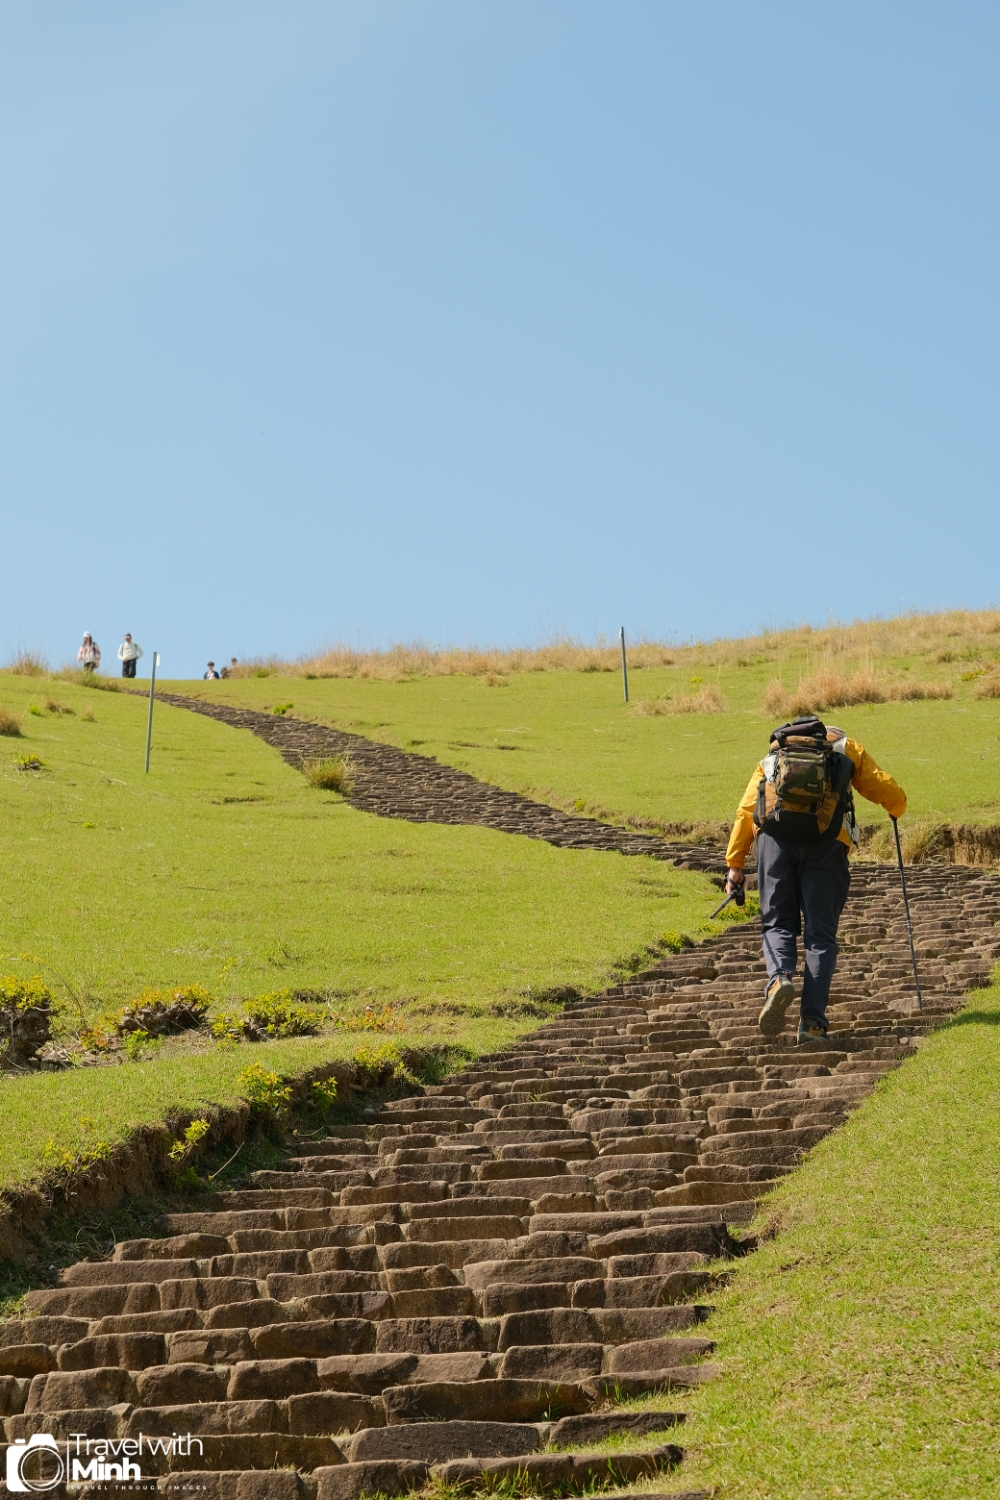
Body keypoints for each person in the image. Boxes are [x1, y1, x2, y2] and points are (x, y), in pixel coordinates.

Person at [724, 715, 906, 1044]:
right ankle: (812, 1023)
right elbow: (884, 788)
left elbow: (746, 808)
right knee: (820, 936)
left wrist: (735, 864)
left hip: (774, 841)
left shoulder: (775, 754)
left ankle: (779, 979)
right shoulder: (848, 749)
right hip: (827, 845)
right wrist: (897, 806)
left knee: (777, 924)